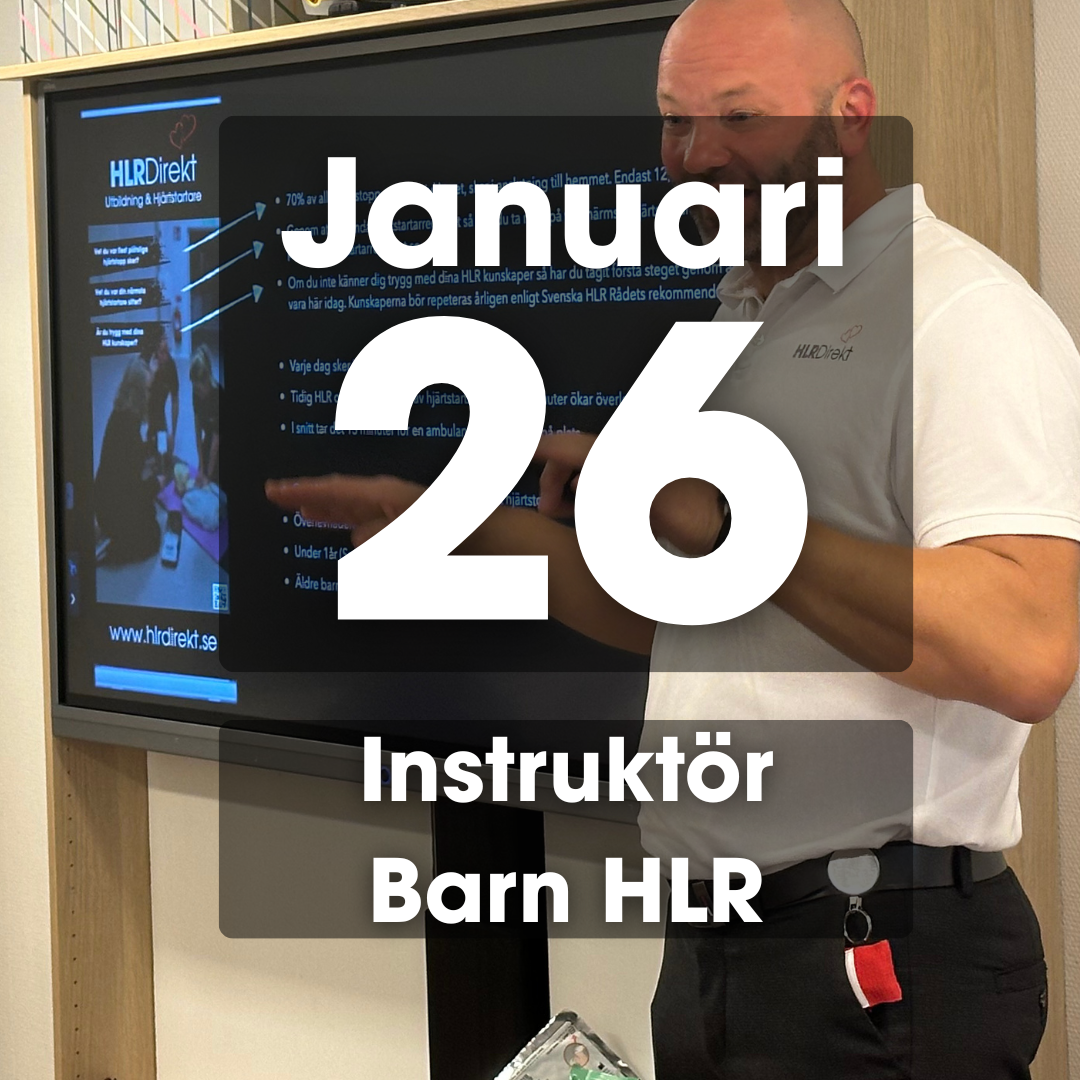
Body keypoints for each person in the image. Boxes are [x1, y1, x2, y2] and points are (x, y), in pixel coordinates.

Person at [266, 0, 1080, 1075]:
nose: (694, 159)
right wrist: (455, 527)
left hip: (875, 958)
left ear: (851, 116)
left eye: (738, 118)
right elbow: (683, 615)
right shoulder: (739, 316)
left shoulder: (962, 314)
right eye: (674, 121)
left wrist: (738, 519)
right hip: (717, 951)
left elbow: (1027, 649)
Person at [95, 357, 161, 563]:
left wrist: (146, 452)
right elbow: (131, 487)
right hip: (112, 508)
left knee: (149, 510)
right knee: (153, 536)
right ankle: (111, 548)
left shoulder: (120, 414)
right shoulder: (128, 428)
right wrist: (156, 484)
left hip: (104, 497)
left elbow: (126, 460)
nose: (151, 394)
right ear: (139, 394)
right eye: (148, 390)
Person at [144, 322, 179, 473]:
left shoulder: (171, 367)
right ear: (155, 352)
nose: (166, 355)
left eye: (167, 351)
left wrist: (173, 434)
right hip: (144, 406)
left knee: (164, 453)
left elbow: (175, 401)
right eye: (162, 352)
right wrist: (152, 374)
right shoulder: (147, 364)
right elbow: (141, 398)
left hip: (158, 410)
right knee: (148, 457)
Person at [189, 344, 221, 488]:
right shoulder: (195, 394)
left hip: (219, 443)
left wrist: (208, 474)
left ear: (207, 380)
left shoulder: (218, 396)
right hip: (208, 440)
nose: (197, 393)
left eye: (199, 389)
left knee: (213, 486)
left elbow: (216, 440)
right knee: (200, 480)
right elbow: (197, 431)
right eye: (194, 388)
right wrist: (201, 467)